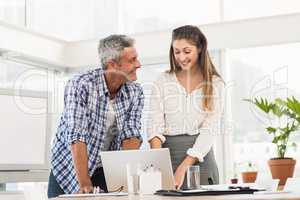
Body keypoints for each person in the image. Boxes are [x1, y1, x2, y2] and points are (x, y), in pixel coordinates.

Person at [48, 35, 144, 198]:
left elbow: (131, 135)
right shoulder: (81, 84)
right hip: (70, 169)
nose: (138, 64)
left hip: (105, 170)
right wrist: (84, 185)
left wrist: (126, 180)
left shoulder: (135, 91)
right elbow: (77, 135)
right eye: (132, 60)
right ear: (112, 65)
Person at [147, 25, 224, 189]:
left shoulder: (215, 84)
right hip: (167, 158)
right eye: (177, 52)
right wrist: (158, 165)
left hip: (201, 158)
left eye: (187, 51)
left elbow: (210, 129)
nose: (181, 57)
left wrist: (184, 166)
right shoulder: (163, 80)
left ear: (200, 49)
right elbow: (154, 126)